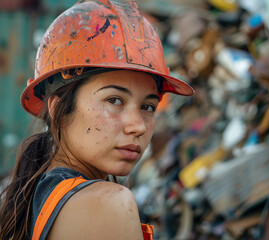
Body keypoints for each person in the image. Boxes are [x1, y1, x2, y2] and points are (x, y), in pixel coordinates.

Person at [0, 0, 194, 239]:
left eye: (148, 106)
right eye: (114, 100)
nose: (138, 126)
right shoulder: (108, 204)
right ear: (58, 107)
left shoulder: (33, 199)